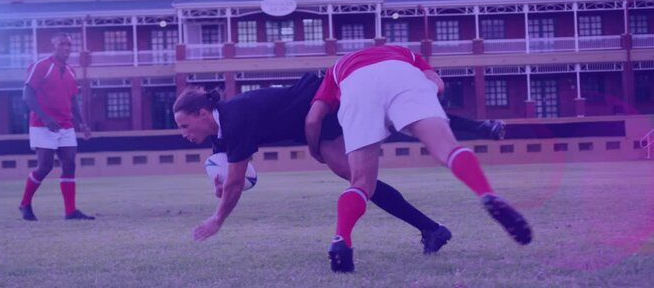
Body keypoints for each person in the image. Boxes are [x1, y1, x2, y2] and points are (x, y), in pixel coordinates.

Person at [173, 73, 505, 253]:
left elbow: (235, 181)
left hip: (324, 102)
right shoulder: (221, 128)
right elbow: (225, 175)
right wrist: (220, 185)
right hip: (317, 126)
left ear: (203, 114)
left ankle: (479, 127)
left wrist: (218, 218)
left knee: (397, 117)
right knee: (362, 184)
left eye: (185, 125)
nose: (184, 133)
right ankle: (433, 230)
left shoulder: (235, 119)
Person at [305, 45, 532, 273]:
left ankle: (341, 238)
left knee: (361, 183)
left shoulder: (335, 69)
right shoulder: (404, 52)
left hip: (356, 85)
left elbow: (313, 119)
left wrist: (315, 150)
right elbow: (438, 85)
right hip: (403, 76)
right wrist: (413, 102)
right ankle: (486, 193)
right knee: (448, 148)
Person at [18, 32, 94, 221]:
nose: (66, 48)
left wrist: (82, 123)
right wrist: (44, 117)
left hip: (66, 125)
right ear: (54, 45)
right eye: (62, 44)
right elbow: (27, 95)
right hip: (42, 125)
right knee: (44, 166)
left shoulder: (70, 71)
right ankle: (25, 204)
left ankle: (70, 211)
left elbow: (73, 100)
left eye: (69, 44)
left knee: (69, 164)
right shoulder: (41, 66)